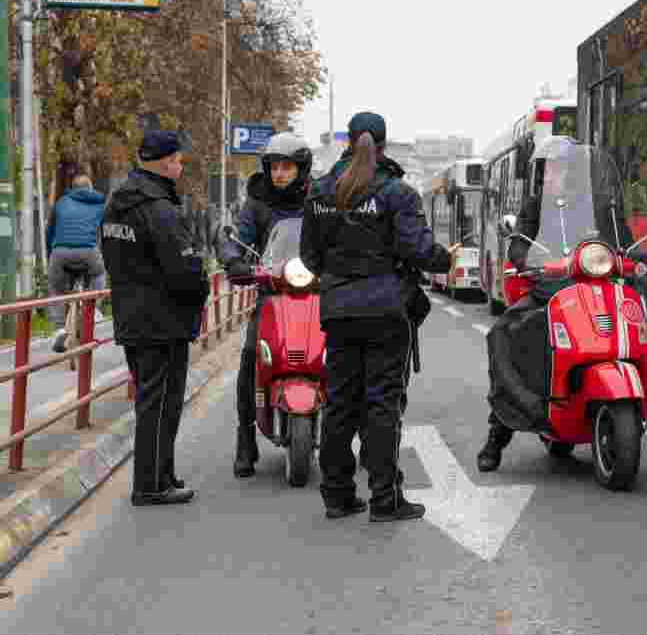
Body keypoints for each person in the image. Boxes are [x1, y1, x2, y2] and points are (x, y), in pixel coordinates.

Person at [301, 112, 456, 521]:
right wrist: (445, 259)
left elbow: (309, 257)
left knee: (339, 403)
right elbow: (419, 250)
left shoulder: (319, 192)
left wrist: (338, 276)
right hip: (386, 310)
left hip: (338, 311)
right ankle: (385, 499)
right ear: (383, 146)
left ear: (348, 142)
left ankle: (337, 495)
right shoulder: (397, 193)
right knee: (382, 404)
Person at [477, 138, 647, 472]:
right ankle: (497, 433)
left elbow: (623, 241)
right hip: (551, 288)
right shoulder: (534, 207)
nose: (551, 176)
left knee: (635, 319)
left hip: (597, 286)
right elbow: (519, 243)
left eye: (558, 169)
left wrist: (641, 255)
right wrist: (526, 260)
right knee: (505, 333)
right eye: (547, 170)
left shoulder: (600, 206)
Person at [100, 131, 210, 506]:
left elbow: (112, 257)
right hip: (163, 320)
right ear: (165, 162)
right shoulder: (159, 209)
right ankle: (150, 485)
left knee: (152, 400)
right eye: (178, 160)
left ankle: (162, 473)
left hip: (132, 315)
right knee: (162, 404)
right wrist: (201, 286)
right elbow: (183, 268)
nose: (180, 166)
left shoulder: (117, 203)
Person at [219, 132, 312, 477]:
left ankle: (348, 434)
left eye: (287, 167)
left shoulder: (317, 199)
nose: (279, 174)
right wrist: (233, 258)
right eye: (274, 167)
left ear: (301, 170)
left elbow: (336, 236)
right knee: (249, 358)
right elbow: (239, 237)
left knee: (342, 353)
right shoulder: (257, 202)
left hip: (315, 293)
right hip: (271, 295)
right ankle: (245, 439)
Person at [46, 173, 107, 353]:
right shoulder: (99, 203)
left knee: (56, 289)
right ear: (90, 188)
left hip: (60, 252)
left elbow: (50, 230)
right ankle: (95, 309)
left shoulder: (61, 203)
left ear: (72, 189)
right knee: (98, 273)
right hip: (88, 252)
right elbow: (104, 232)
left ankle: (59, 329)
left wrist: (52, 250)